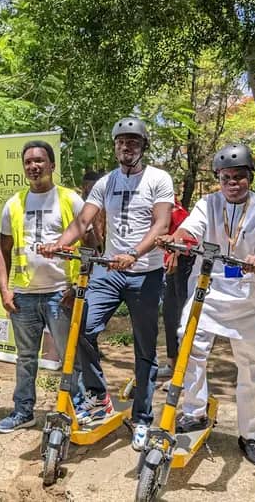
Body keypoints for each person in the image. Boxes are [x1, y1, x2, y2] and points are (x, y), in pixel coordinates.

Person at [41, 117, 173, 451]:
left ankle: (142, 417)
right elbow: (83, 220)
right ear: (115, 146)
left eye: (132, 142)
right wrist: (60, 242)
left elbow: (161, 223)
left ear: (143, 146)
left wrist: (134, 253)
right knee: (81, 327)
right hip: (109, 269)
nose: (126, 147)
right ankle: (100, 397)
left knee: (144, 348)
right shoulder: (107, 182)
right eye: (120, 142)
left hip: (146, 272)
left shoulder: (159, 178)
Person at [158, 143, 255, 467]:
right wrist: (179, 239)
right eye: (226, 177)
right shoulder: (208, 203)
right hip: (210, 292)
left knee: (249, 366)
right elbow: (190, 229)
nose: (233, 182)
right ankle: (195, 411)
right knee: (189, 343)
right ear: (218, 178)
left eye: (239, 176)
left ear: (249, 177)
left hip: (248, 297)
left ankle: (248, 434)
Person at [0, 140, 86, 433]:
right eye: (28, 162)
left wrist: (79, 287)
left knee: (70, 356)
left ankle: (78, 409)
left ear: (52, 165)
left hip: (61, 293)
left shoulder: (70, 200)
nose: (34, 166)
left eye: (39, 161)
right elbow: (2, 249)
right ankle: (23, 411)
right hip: (24, 296)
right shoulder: (14, 204)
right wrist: (5, 290)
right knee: (25, 358)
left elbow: (92, 246)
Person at [158, 197, 192, 382]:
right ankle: (172, 364)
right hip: (168, 266)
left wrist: (177, 253)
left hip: (184, 264)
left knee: (181, 316)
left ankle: (184, 370)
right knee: (169, 314)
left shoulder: (176, 211)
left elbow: (188, 234)